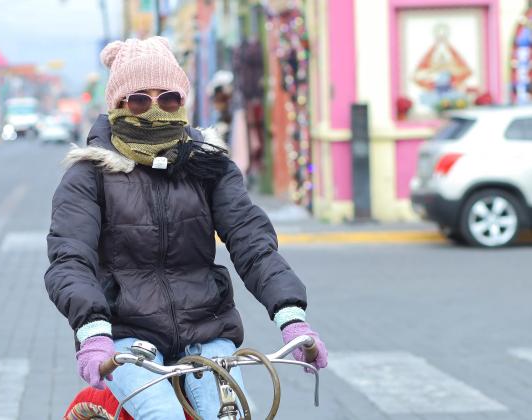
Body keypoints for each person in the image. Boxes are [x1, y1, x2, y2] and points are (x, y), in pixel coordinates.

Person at [45, 36, 327, 420]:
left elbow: (251, 241)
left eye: (169, 99)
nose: (156, 110)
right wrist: (93, 333)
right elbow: (69, 258)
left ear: (183, 102)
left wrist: (292, 317)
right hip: (129, 334)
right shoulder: (88, 175)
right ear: (117, 104)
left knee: (231, 414)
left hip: (207, 329)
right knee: (163, 416)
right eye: (140, 100)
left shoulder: (209, 166)